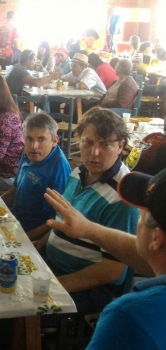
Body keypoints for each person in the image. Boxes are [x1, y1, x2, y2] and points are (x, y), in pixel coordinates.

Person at [44, 169, 166, 349]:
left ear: (156, 238)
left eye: (140, 215)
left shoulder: (130, 317)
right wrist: (88, 229)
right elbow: (144, 252)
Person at [44, 107, 139, 315]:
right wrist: (38, 246)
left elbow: (112, 272)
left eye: (105, 145)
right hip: (54, 266)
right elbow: (62, 220)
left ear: (120, 146)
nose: (94, 153)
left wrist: (54, 286)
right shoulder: (80, 170)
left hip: (89, 286)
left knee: (19, 309)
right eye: (88, 143)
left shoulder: (123, 195)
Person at [1, 113, 71, 240]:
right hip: (15, 220)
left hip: (32, 232)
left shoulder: (58, 168)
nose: (34, 146)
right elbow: (15, 190)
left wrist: (24, 239)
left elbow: (55, 220)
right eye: (29, 139)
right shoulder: (28, 154)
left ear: (55, 140)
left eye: (41, 139)